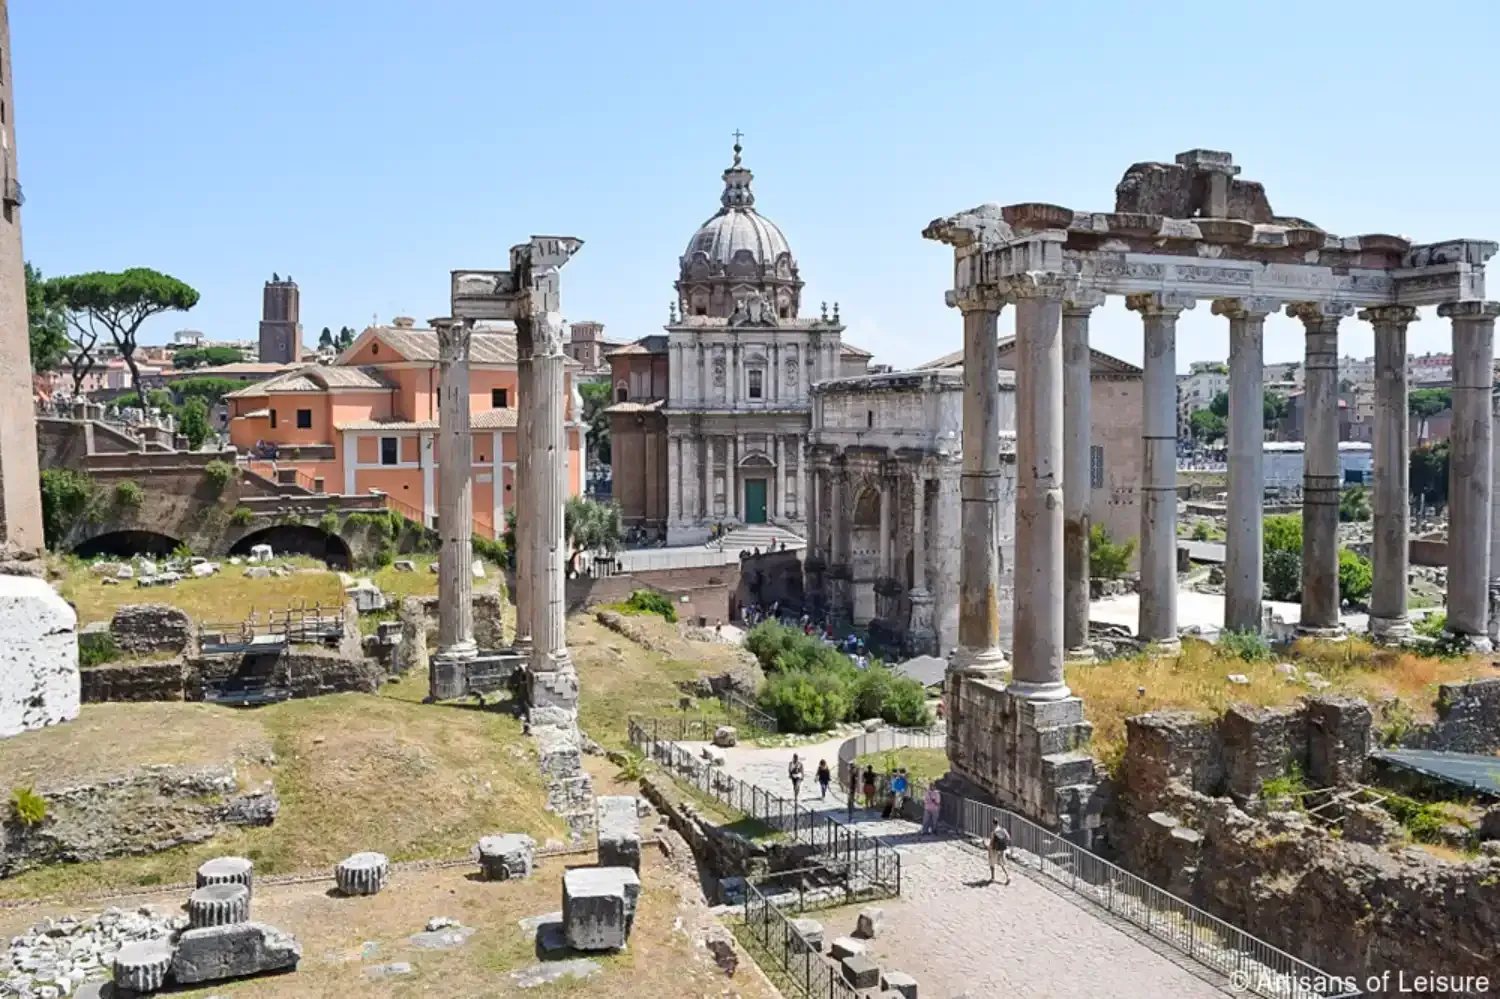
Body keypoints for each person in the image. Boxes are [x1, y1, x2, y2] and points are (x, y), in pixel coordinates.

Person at [988, 817, 1012, 884]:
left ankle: (992, 878)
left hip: (995, 850)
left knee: (991, 863)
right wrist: (1004, 844)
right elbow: (1008, 838)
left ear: (993, 823)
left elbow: (991, 842)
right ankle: (1008, 876)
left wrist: (989, 849)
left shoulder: (993, 832)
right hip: (1002, 850)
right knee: (1002, 864)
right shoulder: (1003, 830)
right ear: (998, 823)